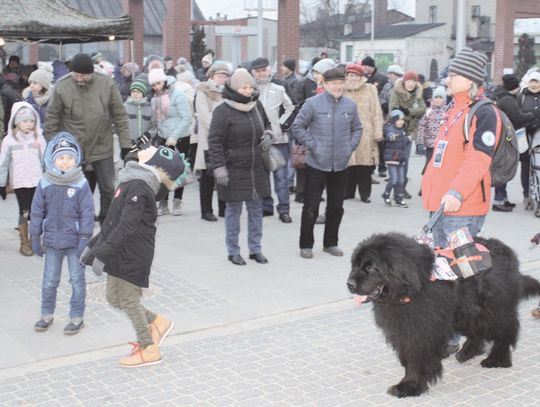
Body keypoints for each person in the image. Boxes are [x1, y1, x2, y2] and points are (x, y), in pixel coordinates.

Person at [422, 48, 501, 357]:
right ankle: (450, 331)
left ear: (469, 80)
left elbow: (478, 160)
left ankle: (463, 335)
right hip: (440, 206)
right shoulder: (453, 108)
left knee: (463, 274)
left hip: (461, 208)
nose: (448, 78)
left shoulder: (483, 112)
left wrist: (455, 192)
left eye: (453, 74)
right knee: (443, 271)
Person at [82, 140, 185, 368]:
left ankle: (149, 347)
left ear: (155, 163)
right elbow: (112, 221)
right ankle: (158, 321)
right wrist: (93, 246)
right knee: (113, 299)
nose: (146, 149)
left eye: (151, 151)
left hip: (133, 254)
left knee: (128, 300)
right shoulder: (131, 180)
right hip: (120, 250)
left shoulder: (139, 187)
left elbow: (126, 226)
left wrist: (103, 254)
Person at [45, 53, 131, 225]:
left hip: (102, 144)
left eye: (83, 75)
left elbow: (120, 115)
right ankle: (80, 218)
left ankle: (107, 218)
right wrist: (54, 148)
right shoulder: (62, 87)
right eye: (76, 75)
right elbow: (52, 119)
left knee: (107, 187)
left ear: (91, 73)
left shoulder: (106, 84)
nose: (79, 78)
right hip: (73, 147)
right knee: (76, 188)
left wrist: (126, 145)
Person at [292, 68, 362, 259]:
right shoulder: (312, 104)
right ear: (325, 84)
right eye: (333, 83)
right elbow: (297, 127)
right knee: (311, 206)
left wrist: (349, 147)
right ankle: (306, 244)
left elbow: (357, 128)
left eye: (341, 83)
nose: (338, 86)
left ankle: (331, 243)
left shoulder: (350, 105)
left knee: (336, 206)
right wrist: (314, 146)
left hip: (340, 164)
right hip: (317, 164)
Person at [30, 133, 94, 335]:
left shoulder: (81, 183)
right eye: (61, 158)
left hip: (75, 242)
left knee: (77, 280)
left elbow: (87, 212)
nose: (65, 162)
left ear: (76, 160)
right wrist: (34, 236)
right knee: (49, 280)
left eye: (70, 158)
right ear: (52, 159)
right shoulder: (45, 183)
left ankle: (76, 316)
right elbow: (37, 211)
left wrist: (85, 237)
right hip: (52, 242)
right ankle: (46, 314)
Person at [208, 68, 272, 266]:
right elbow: (215, 141)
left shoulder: (256, 105)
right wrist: (219, 168)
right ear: (235, 88)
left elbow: (268, 125)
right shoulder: (223, 110)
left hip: (256, 167)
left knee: (256, 210)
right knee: (233, 211)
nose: (248, 91)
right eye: (244, 87)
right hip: (233, 168)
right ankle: (233, 251)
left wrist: (269, 135)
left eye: (250, 86)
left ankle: (255, 249)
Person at [251, 57, 295, 223]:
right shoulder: (249, 89)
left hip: (278, 139)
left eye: (264, 69)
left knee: (281, 176)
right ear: (253, 72)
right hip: (257, 140)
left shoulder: (280, 87)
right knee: (261, 176)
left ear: (270, 69)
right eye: (258, 70)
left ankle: (284, 209)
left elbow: (292, 107)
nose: (262, 73)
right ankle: (266, 206)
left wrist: (282, 125)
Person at [0, 102, 46, 255]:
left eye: (32, 121)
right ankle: (24, 242)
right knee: (24, 211)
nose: (29, 124)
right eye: (25, 121)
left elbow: (46, 160)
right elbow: (3, 163)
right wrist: (2, 183)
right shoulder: (10, 140)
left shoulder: (38, 138)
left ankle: (36, 239)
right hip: (20, 182)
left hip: (37, 181)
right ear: (16, 122)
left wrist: (49, 179)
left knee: (38, 211)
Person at [148, 68, 192, 216]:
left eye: (158, 83)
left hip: (180, 137)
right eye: (153, 85)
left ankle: (177, 201)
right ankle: (163, 202)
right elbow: (156, 120)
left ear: (165, 81)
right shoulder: (154, 98)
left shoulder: (177, 95)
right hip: (163, 137)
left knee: (179, 169)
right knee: (163, 171)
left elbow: (187, 117)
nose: (156, 87)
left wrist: (175, 136)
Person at [491, 74, 535, 212]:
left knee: (504, 165)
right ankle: (499, 200)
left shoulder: (503, 97)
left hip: (503, 135)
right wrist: (532, 115)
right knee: (504, 166)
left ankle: (503, 198)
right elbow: (517, 117)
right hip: (506, 137)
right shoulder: (509, 100)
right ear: (514, 87)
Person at [193, 61, 230, 221]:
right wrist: (218, 129)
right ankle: (206, 210)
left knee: (223, 174)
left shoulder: (229, 91)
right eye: (220, 75)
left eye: (225, 75)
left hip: (226, 140)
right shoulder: (204, 91)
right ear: (212, 76)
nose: (222, 78)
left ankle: (224, 208)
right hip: (209, 139)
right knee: (208, 176)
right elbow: (203, 114)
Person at [343, 63, 383, 203]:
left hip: (366, 132)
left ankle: (365, 194)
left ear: (361, 76)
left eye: (355, 75)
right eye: (350, 75)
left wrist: (378, 131)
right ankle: (348, 192)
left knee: (365, 165)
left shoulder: (370, 89)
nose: (352, 78)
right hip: (346, 132)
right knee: (349, 164)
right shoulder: (342, 90)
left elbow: (377, 111)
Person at [389, 70, 427, 196]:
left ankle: (402, 188)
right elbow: (393, 112)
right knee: (396, 161)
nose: (410, 84)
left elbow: (422, 109)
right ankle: (396, 188)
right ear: (404, 81)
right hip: (398, 131)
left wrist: (407, 111)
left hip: (411, 132)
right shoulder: (396, 92)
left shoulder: (417, 94)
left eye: (413, 82)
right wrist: (409, 115)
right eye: (408, 81)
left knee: (405, 161)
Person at [417, 86, 448, 196]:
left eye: (441, 97)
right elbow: (422, 127)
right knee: (428, 166)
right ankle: (423, 187)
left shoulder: (447, 112)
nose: (438, 99)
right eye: (436, 97)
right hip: (430, 145)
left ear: (444, 99)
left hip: (442, 146)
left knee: (440, 167)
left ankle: (437, 187)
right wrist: (420, 142)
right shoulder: (429, 112)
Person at [517, 71, 540, 213]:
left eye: (536, 81)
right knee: (525, 165)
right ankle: (526, 193)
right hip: (524, 134)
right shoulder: (521, 97)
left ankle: (537, 193)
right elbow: (517, 114)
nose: (534, 84)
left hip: (539, 134)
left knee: (537, 166)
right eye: (532, 81)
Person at [382, 110, 410, 208]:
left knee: (401, 180)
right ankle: (386, 193)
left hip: (401, 159)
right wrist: (393, 137)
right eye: (398, 120)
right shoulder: (389, 128)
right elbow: (389, 136)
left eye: (402, 120)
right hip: (392, 158)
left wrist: (408, 138)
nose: (401, 122)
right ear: (394, 120)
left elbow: (405, 142)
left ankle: (398, 197)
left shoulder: (403, 130)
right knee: (394, 179)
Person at [124, 80, 155, 145]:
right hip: (128, 144)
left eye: (138, 92)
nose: (135, 94)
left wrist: (148, 135)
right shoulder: (124, 107)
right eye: (133, 91)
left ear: (143, 94)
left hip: (145, 145)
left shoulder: (149, 108)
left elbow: (155, 126)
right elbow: (119, 125)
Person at [23, 66, 53, 130]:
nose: (31, 86)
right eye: (30, 83)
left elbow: (55, 124)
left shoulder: (54, 101)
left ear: (44, 85)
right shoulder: (27, 101)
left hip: (50, 137)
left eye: (35, 83)